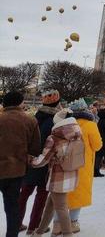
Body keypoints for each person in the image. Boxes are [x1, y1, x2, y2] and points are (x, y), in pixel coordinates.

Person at [29, 108, 82, 237]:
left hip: (58, 176)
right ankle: (39, 232)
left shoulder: (54, 138)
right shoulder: (77, 135)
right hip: (71, 174)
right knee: (50, 205)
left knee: (61, 208)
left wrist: (30, 160)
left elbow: (43, 160)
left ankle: (67, 234)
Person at [18, 90, 60, 235]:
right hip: (46, 163)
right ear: (57, 103)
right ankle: (33, 227)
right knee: (41, 196)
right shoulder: (56, 121)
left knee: (24, 194)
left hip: (30, 161)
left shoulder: (34, 118)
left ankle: (16, 223)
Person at [0, 91, 41, 237]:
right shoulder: (30, 120)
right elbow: (35, 148)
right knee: (12, 206)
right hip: (15, 170)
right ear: (19, 103)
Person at [65, 98, 102, 232]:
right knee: (78, 192)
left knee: (63, 192)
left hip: (66, 162)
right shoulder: (90, 125)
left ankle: (58, 222)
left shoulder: (66, 124)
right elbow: (97, 145)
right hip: (83, 164)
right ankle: (73, 222)